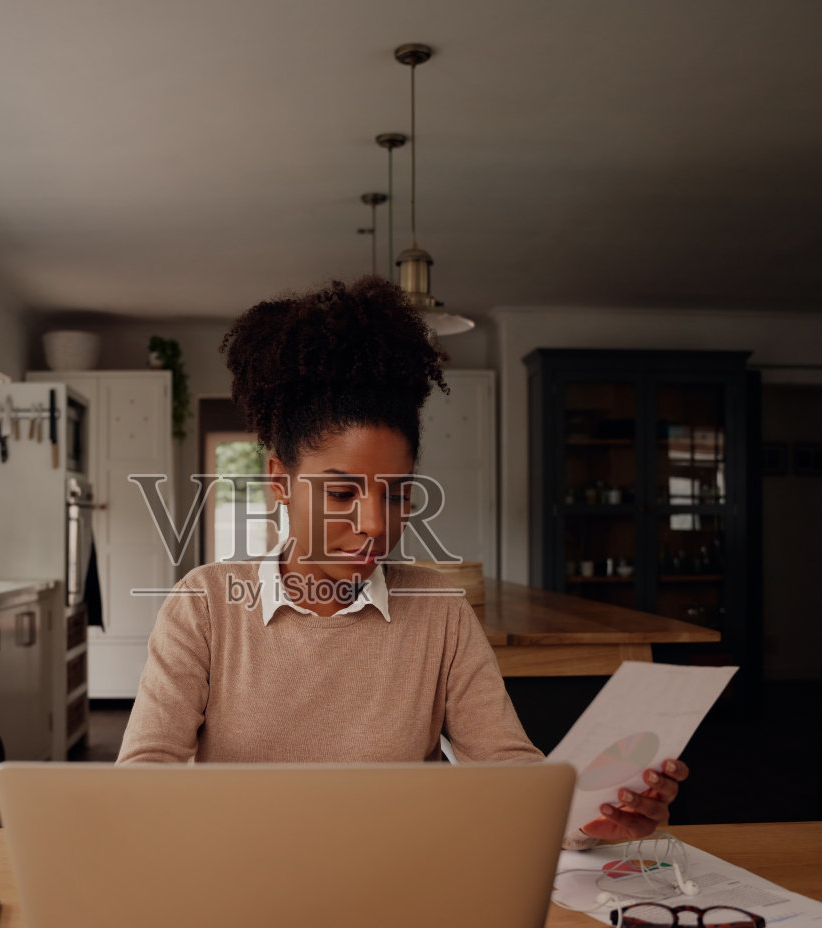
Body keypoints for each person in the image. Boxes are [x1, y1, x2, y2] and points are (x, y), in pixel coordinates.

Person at [116, 276, 686, 846]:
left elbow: (508, 770)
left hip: (402, 875)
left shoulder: (439, 612)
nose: (375, 524)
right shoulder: (204, 606)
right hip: (244, 872)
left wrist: (592, 815)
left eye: (396, 493)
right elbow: (142, 780)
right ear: (279, 482)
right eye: (343, 493)